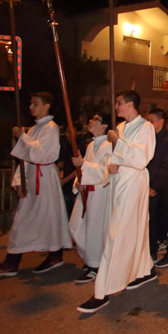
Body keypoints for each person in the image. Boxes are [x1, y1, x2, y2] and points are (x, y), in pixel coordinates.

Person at [78, 90, 156, 314]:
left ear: (130, 104)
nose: (116, 107)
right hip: (118, 182)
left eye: (119, 103)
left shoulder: (145, 128)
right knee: (132, 230)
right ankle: (144, 270)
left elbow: (141, 159)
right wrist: (113, 162)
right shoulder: (121, 128)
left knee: (116, 234)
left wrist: (117, 143)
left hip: (133, 184)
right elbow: (117, 156)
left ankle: (103, 290)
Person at [0, 92, 73, 278]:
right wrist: (18, 182)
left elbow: (41, 154)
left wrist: (22, 136)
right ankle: (14, 261)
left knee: (48, 218)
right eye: (31, 104)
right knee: (22, 220)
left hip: (45, 180)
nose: (31, 107)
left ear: (46, 106)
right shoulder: (34, 129)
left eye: (35, 104)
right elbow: (25, 158)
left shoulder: (51, 128)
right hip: (33, 177)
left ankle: (49, 256)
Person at [67, 112, 113, 284]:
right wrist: (78, 182)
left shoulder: (108, 146)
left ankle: (95, 266)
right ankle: (90, 258)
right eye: (91, 118)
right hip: (85, 192)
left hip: (99, 194)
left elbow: (105, 173)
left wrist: (83, 164)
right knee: (75, 226)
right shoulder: (91, 146)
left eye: (96, 120)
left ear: (104, 126)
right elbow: (83, 171)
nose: (91, 121)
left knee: (94, 230)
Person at [147, 109, 168, 268]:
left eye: (151, 120)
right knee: (152, 219)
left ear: (160, 121)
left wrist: (154, 185)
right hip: (153, 186)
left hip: (166, 187)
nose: (149, 124)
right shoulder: (151, 138)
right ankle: (152, 251)